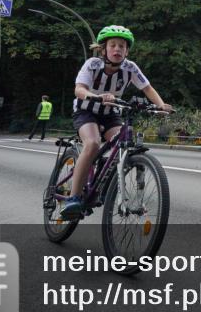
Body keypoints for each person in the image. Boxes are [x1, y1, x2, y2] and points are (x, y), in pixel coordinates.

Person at [62, 25, 172, 219]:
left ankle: (103, 181)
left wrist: (161, 105)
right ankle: (73, 198)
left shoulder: (130, 68)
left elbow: (147, 88)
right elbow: (79, 89)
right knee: (93, 143)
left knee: (123, 145)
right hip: (86, 111)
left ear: (127, 50)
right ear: (104, 49)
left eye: (122, 46)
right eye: (113, 45)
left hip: (111, 113)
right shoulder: (92, 64)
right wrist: (94, 96)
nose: (117, 49)